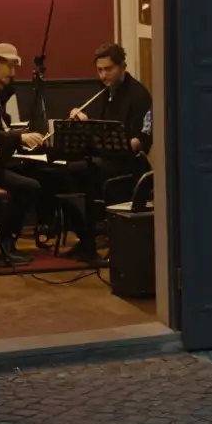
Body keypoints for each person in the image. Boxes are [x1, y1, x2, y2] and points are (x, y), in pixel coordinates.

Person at [63, 43, 153, 264]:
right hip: (104, 159)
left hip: (128, 163)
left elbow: (144, 137)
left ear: (122, 67)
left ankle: (97, 239)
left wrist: (126, 143)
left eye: (109, 69)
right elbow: (96, 129)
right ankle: (86, 238)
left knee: (82, 172)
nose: (103, 75)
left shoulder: (139, 95)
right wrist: (81, 120)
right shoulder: (103, 92)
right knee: (64, 172)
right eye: (100, 70)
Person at [0, 43, 47, 265]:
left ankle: (4, 238)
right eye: (9, 66)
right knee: (30, 186)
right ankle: (6, 240)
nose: (12, 73)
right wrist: (19, 137)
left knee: (29, 175)